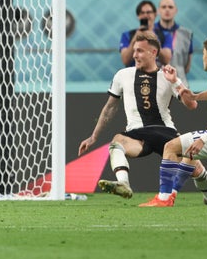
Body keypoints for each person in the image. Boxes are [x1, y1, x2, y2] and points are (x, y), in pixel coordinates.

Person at [79, 31, 200, 200]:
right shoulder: (122, 75)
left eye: (140, 51)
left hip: (165, 133)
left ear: (153, 53)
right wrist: (93, 137)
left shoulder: (167, 76)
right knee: (116, 142)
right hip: (138, 134)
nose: (134, 55)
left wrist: (176, 81)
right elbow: (109, 108)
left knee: (195, 167)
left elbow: (192, 104)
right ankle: (123, 184)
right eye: (134, 50)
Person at [139, 37, 207, 207]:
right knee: (189, 158)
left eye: (203, 53)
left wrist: (204, 140)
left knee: (170, 147)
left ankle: (164, 199)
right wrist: (195, 96)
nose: (202, 57)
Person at [118, 0, 171, 67]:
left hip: (156, 75)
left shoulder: (165, 35)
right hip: (134, 75)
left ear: (155, 14)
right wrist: (135, 39)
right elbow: (125, 61)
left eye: (148, 12)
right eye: (142, 13)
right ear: (138, 16)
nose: (145, 15)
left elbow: (166, 60)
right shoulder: (127, 35)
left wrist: (155, 40)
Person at [156, 0, 193, 85]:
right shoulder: (150, 33)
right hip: (157, 84)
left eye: (170, 7)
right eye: (164, 7)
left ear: (176, 10)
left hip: (179, 85)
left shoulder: (186, 34)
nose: (167, 10)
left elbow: (187, 67)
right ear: (158, 11)